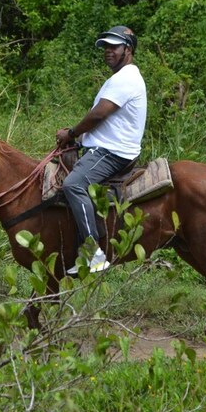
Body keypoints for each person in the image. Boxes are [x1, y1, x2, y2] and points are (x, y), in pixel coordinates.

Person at [55, 25, 147, 274]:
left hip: (112, 152)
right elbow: (103, 120)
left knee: (72, 184)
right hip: (106, 146)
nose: (108, 51)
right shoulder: (119, 78)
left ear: (128, 49)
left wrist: (72, 133)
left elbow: (99, 114)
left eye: (114, 47)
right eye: (105, 47)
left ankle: (93, 253)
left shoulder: (126, 78)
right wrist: (79, 137)